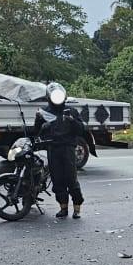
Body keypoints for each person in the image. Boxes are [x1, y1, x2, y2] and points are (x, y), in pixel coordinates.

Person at [33, 82, 95, 219]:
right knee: (57, 180)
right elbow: (36, 132)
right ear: (49, 97)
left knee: (71, 179)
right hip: (52, 148)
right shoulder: (44, 112)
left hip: (68, 148)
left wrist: (72, 121)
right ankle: (63, 208)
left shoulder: (71, 111)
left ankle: (77, 208)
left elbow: (81, 130)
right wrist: (38, 121)